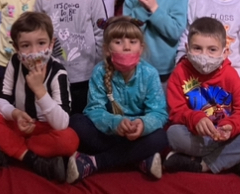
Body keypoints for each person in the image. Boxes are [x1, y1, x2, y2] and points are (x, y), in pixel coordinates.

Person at [0, 12, 79, 183]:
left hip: (46, 130)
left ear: (51, 44)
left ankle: (9, 150)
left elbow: (62, 123)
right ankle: (31, 158)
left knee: (69, 140)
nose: (34, 52)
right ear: (17, 48)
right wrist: (15, 113)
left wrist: (39, 90)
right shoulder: (15, 63)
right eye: (26, 45)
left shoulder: (58, 72)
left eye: (41, 43)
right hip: (19, 124)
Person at [165, 17, 240, 179]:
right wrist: (195, 119)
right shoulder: (179, 73)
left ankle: (204, 165)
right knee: (173, 134)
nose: (204, 55)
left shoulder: (231, 75)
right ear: (187, 48)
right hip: (197, 136)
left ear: (225, 52)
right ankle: (235, 158)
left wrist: (231, 126)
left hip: (227, 137)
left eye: (212, 50)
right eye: (197, 48)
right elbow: (175, 111)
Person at [67, 16, 169, 183]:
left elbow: (159, 113)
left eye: (132, 42)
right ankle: (138, 158)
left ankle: (94, 162)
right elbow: (94, 110)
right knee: (77, 122)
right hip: (109, 133)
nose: (127, 47)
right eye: (118, 42)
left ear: (141, 48)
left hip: (138, 136)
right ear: (107, 49)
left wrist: (142, 125)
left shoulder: (149, 73)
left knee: (161, 137)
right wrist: (116, 124)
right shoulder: (99, 72)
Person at [35, 0, 106, 114]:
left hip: (85, 75)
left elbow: (101, 33)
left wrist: (100, 68)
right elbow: (36, 32)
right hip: (52, 73)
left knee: (80, 119)